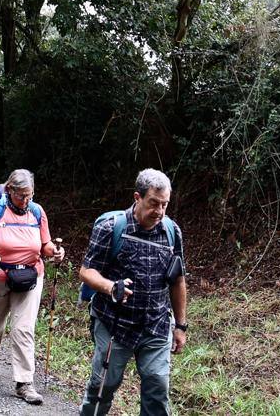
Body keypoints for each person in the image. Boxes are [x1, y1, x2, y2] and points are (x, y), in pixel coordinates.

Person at [78, 169, 188, 416]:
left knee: (157, 389)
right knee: (103, 387)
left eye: (165, 204)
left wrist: (181, 326)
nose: (159, 211)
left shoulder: (171, 231)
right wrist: (110, 287)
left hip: (156, 324)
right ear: (137, 197)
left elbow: (178, 280)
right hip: (114, 324)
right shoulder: (111, 228)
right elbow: (86, 271)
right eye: (154, 203)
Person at [0, 169, 65, 405]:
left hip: (29, 277)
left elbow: (45, 244)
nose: (25, 200)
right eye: (21, 195)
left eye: (29, 195)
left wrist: (55, 251)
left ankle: (24, 383)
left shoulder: (37, 211)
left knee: (23, 328)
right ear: (9, 190)